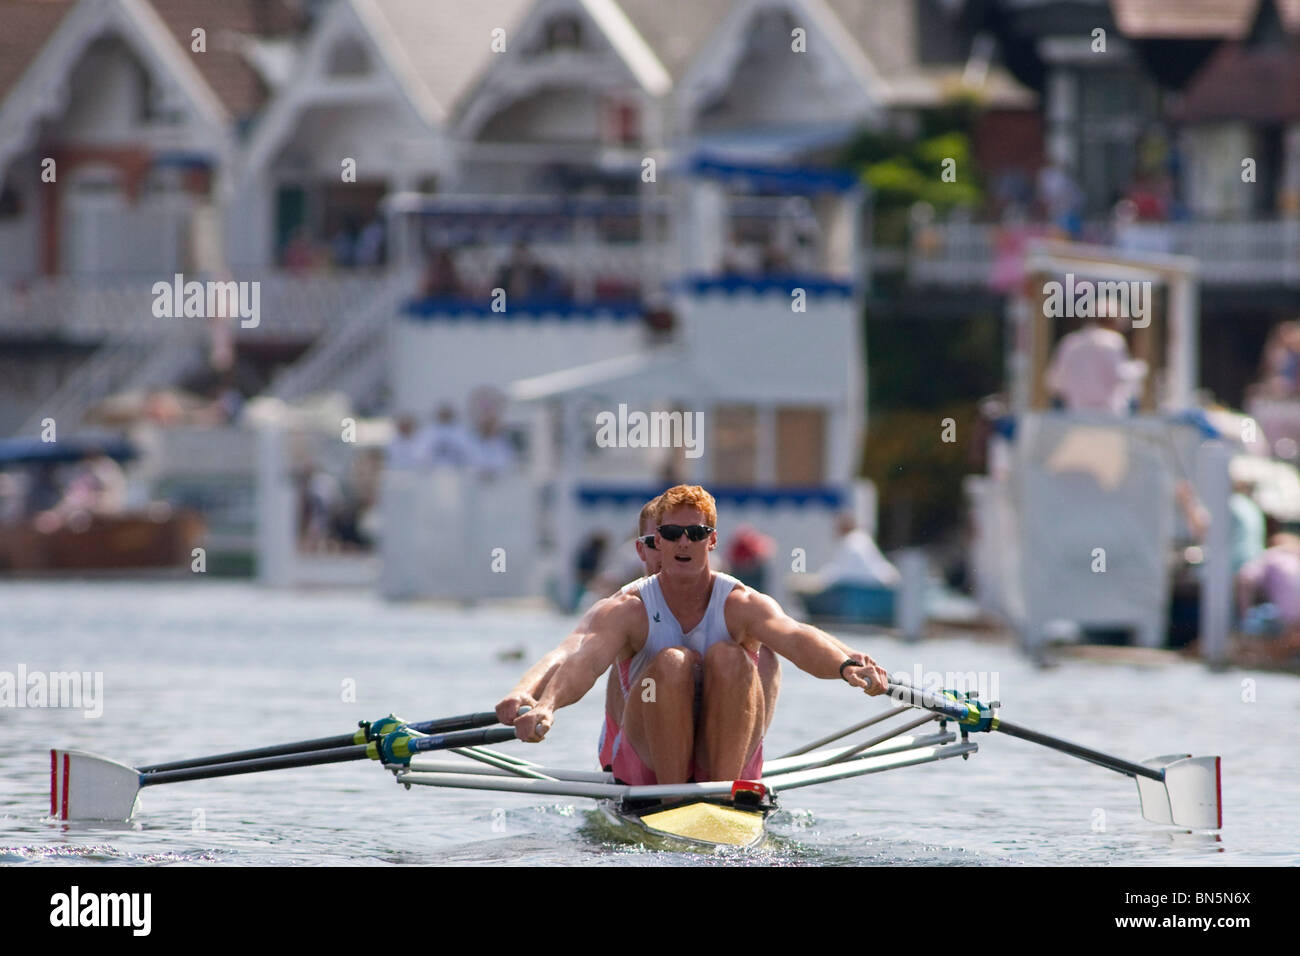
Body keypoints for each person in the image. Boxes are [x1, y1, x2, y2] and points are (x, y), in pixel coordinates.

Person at [504, 485, 888, 785]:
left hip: (723, 753)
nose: (683, 542)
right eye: (671, 534)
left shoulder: (741, 602)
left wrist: (845, 665)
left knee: (741, 655)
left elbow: (796, 636)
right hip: (648, 761)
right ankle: (676, 799)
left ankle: (722, 791)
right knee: (672, 663)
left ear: (712, 540)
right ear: (653, 543)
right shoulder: (626, 609)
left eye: (695, 532)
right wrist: (543, 703)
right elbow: (578, 659)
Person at [497, 495, 783, 775]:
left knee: (764, 653)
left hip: (714, 743)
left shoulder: (722, 594)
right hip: (640, 749)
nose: (668, 551)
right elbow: (570, 652)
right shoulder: (624, 607)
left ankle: (741, 768)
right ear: (643, 549)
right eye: (659, 540)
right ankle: (643, 770)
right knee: (654, 660)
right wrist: (524, 692)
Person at [1046, 308, 1147, 414]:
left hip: (1074, 413)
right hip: (1109, 414)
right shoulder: (1112, 340)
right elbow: (1120, 375)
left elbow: (1054, 381)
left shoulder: (1070, 341)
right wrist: (1140, 369)